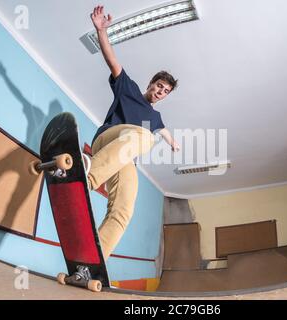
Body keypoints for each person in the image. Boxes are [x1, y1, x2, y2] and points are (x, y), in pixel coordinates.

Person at [87, 5, 180, 261]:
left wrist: (174, 143)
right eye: (159, 86)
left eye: (165, 91)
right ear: (151, 84)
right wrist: (101, 31)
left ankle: (94, 259)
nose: (160, 92)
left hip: (123, 158)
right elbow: (112, 60)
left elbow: (163, 130)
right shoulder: (128, 89)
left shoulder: (156, 117)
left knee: (125, 207)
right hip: (107, 141)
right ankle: (86, 180)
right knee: (143, 137)